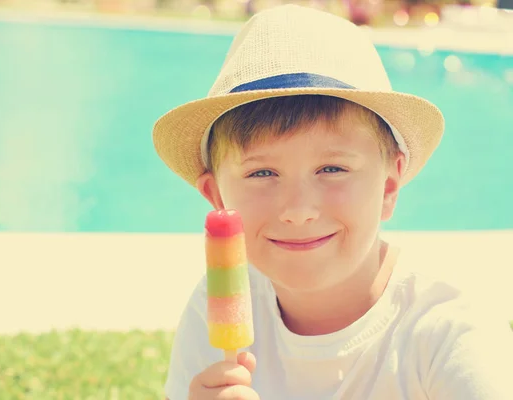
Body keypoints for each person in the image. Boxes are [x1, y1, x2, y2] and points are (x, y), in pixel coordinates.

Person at [152, 4, 513, 399]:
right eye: (261, 173)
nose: (298, 210)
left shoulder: (448, 335)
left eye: (332, 169)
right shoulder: (211, 309)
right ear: (217, 197)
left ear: (389, 187)